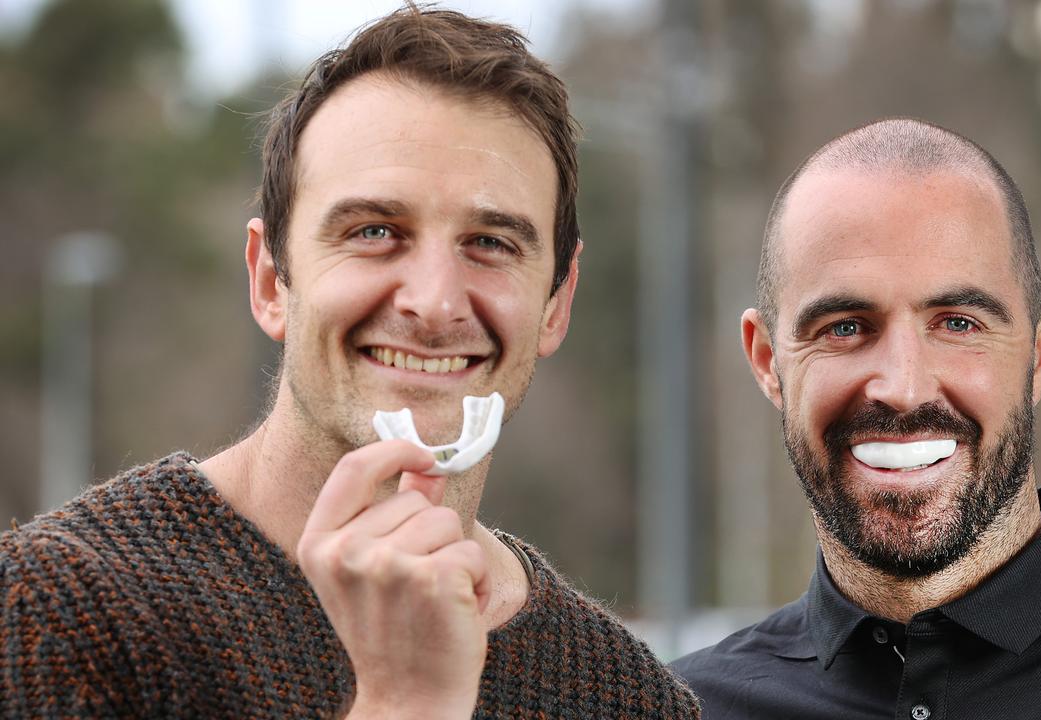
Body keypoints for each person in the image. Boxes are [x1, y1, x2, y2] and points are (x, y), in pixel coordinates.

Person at [0, 7, 698, 719]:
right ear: (271, 281)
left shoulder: (633, 697)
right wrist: (406, 702)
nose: (434, 304)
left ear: (556, 303)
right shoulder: (58, 611)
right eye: (374, 231)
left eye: (491, 243)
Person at [671, 117, 1041, 719]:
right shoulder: (679, 708)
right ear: (767, 359)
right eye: (846, 328)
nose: (903, 388)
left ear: (1040, 352)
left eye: (959, 323)